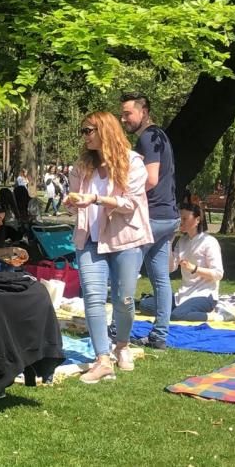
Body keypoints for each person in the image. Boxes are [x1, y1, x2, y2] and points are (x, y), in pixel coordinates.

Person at [67, 111, 153, 384]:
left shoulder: (133, 163)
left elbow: (129, 204)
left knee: (124, 299)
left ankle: (122, 344)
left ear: (105, 130)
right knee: (92, 297)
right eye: (83, 131)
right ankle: (102, 359)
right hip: (88, 240)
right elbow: (74, 199)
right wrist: (73, 202)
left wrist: (96, 198)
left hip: (125, 239)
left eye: (89, 130)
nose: (85, 136)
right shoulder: (82, 166)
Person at [120, 93, 180, 350]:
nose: (123, 120)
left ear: (143, 111)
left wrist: (125, 198)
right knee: (160, 279)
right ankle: (159, 335)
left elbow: (151, 179)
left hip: (152, 217)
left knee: (126, 274)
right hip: (169, 217)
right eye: (122, 114)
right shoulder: (160, 135)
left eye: (127, 114)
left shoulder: (148, 137)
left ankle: (118, 329)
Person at [137, 203, 235, 324]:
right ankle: (180, 308)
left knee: (176, 315)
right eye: (180, 218)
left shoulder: (209, 242)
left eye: (185, 218)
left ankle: (219, 316)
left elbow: (218, 274)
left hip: (204, 296)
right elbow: (171, 268)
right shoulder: (182, 241)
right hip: (183, 295)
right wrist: (169, 243)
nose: (181, 222)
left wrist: (194, 268)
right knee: (145, 305)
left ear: (197, 220)